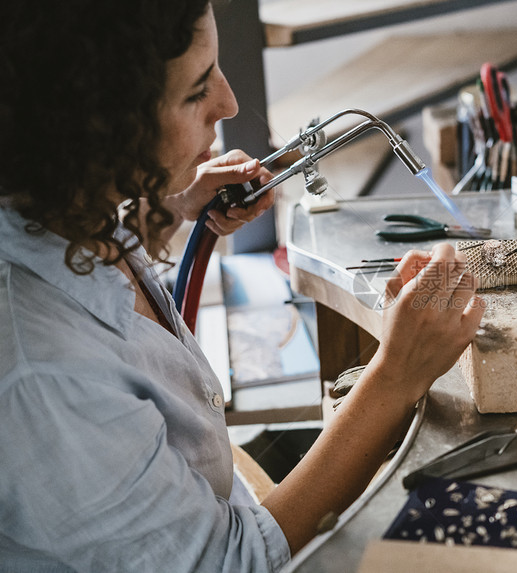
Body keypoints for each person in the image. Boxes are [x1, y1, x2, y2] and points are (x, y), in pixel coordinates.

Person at [0, 1, 484, 571]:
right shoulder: (43, 379)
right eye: (196, 90)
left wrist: (158, 196)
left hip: (223, 489)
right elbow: (234, 563)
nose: (228, 104)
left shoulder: (63, 205)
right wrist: (395, 376)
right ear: (101, 130)